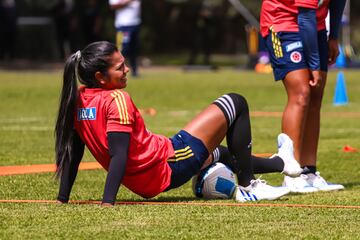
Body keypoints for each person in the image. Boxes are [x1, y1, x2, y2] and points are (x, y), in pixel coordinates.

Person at [55, 41, 302, 206]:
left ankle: (282, 162)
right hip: (170, 162)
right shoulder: (116, 98)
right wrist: (108, 203)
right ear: (100, 76)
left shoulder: (78, 101)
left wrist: (62, 198)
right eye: (120, 67)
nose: (127, 69)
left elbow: (73, 153)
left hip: (152, 172)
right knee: (235, 102)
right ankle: (249, 187)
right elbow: (118, 155)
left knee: (219, 153)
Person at [260, 0, 346, 192]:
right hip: (281, 22)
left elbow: (339, 2)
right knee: (301, 93)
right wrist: (315, 64)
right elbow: (305, 15)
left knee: (315, 96)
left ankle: (309, 172)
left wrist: (333, 37)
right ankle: (292, 174)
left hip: (316, 26)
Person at [109, 0, 141, 77]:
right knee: (122, 49)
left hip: (135, 24)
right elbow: (113, 6)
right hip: (123, 25)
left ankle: (134, 71)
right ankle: (116, 70)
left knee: (134, 49)